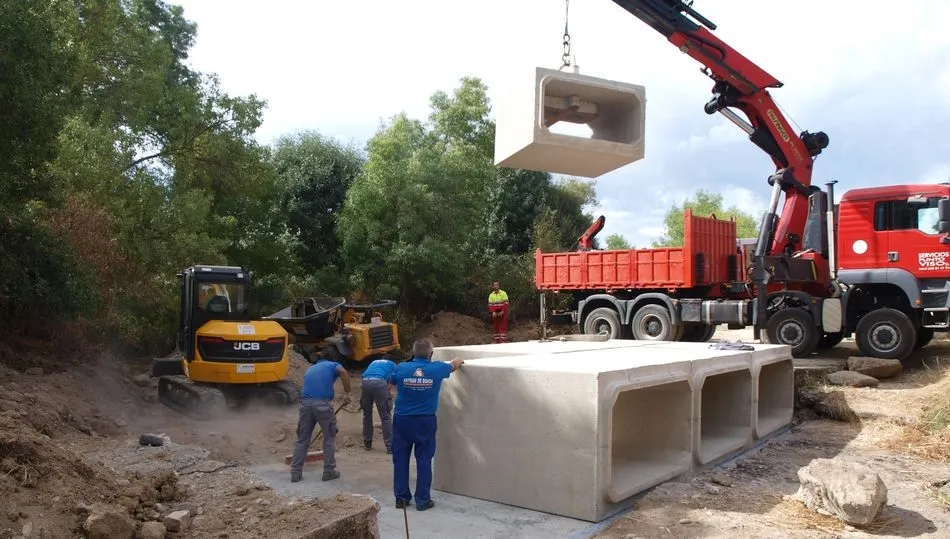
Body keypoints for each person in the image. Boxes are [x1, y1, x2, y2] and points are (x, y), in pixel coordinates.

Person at [388, 339, 463, 511]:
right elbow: (454, 365)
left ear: (413, 353)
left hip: (402, 420)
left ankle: (401, 498)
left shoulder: (401, 368)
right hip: (425, 421)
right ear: (431, 354)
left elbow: (391, 382)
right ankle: (422, 501)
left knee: (400, 459)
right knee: (424, 459)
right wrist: (459, 360)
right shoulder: (437, 368)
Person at [290, 354, 351, 483]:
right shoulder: (333, 365)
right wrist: (347, 392)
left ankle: (295, 472)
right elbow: (343, 372)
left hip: (305, 404)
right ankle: (328, 471)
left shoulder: (311, 368)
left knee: (302, 439)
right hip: (322, 405)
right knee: (329, 438)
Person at [360, 355, 398, 453]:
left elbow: (364, 374)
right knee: (385, 417)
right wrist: (387, 391)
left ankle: (367, 443)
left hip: (365, 382)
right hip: (379, 382)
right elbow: (393, 380)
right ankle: (390, 447)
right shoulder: (392, 365)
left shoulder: (374, 362)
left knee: (367, 415)